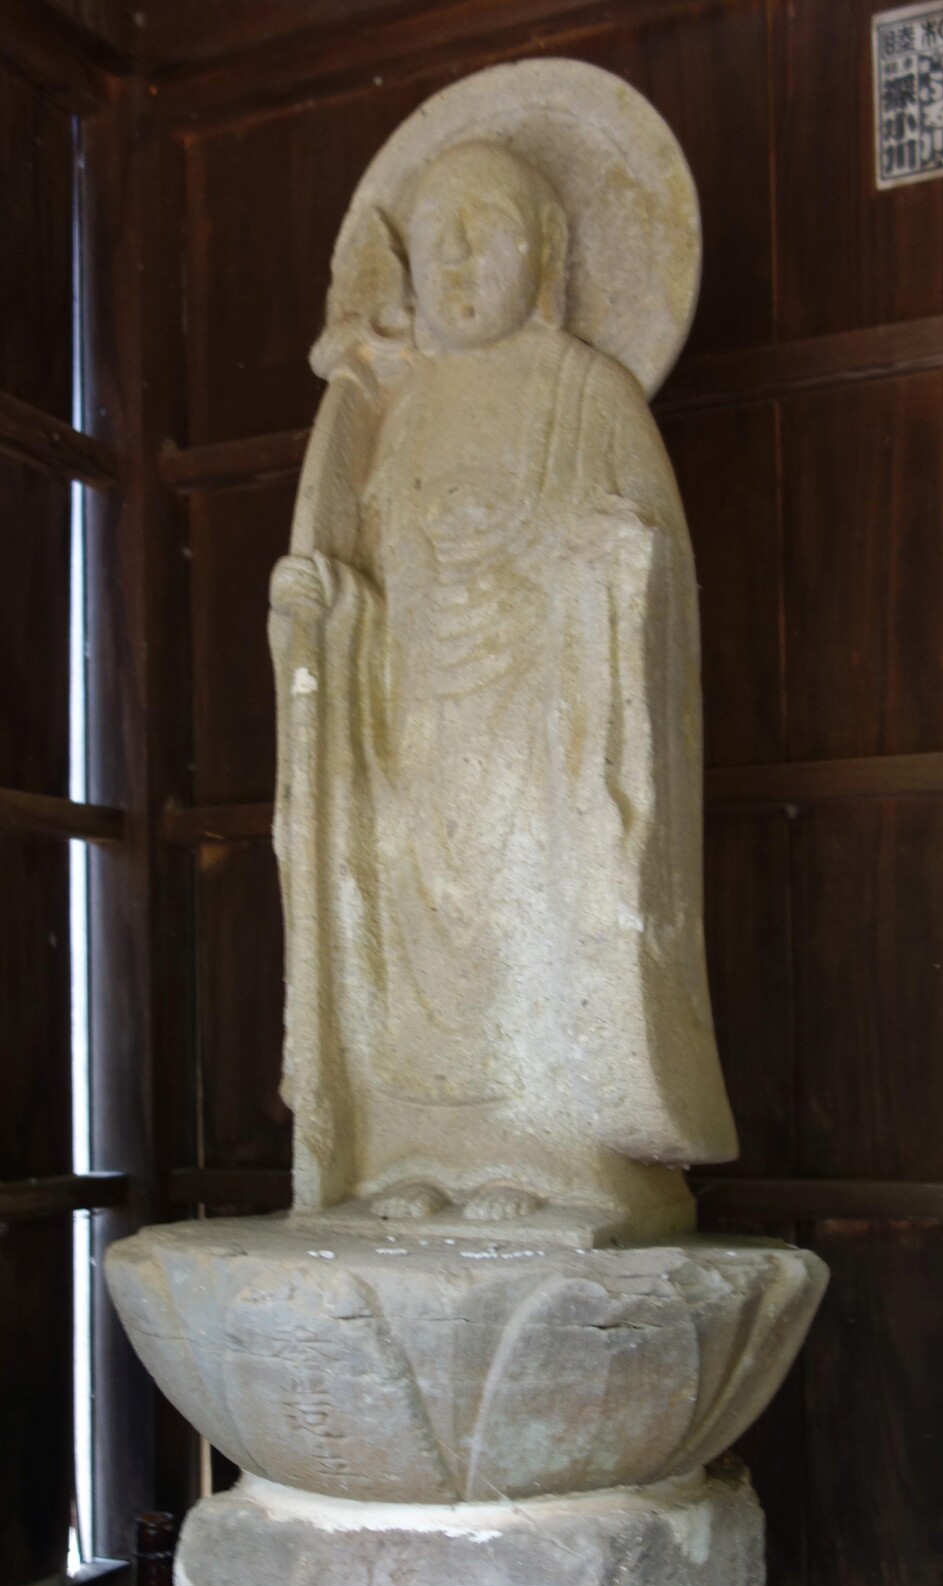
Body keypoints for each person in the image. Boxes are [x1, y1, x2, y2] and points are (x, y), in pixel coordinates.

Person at [269, 132, 736, 1233]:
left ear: (551, 251)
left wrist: (608, 570)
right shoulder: (397, 404)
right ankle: (405, 1155)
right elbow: (370, 571)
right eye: (437, 236)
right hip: (409, 728)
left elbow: (657, 579)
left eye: (489, 232)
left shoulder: (591, 393)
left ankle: (557, 1151)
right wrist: (328, 612)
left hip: (543, 735)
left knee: (538, 918)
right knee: (400, 937)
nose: (458, 257)